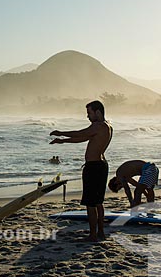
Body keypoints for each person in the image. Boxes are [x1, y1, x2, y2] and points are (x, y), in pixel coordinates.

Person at [50, 100, 112, 242]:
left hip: (94, 167)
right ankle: (100, 232)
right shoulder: (106, 126)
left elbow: (80, 133)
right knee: (98, 202)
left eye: (89, 113)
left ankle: (92, 235)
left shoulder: (99, 125)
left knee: (90, 203)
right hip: (101, 165)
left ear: (97, 112)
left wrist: (61, 132)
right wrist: (63, 140)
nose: (87, 116)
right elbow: (83, 138)